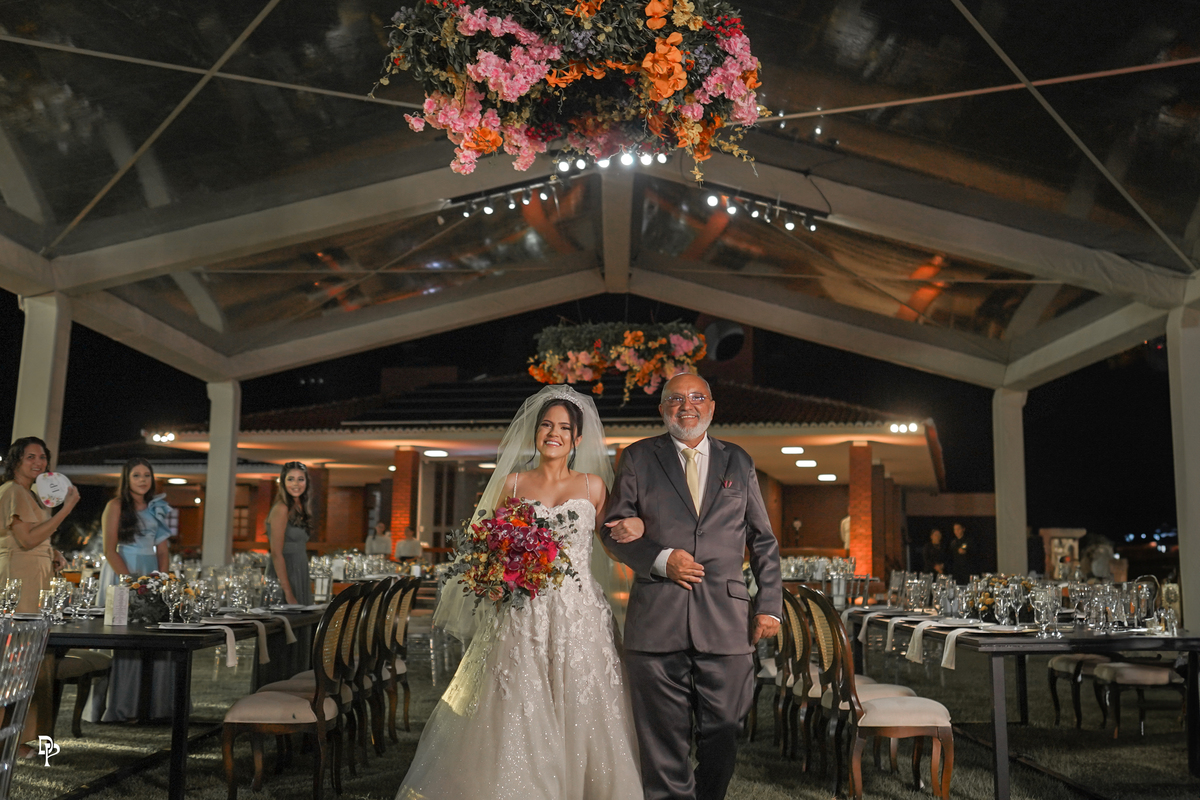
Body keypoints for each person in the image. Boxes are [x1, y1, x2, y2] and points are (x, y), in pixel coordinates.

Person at [396, 384, 643, 799]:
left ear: (578, 438)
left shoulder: (594, 487)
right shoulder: (512, 484)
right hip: (521, 611)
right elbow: (487, 545)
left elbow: (612, 547)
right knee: (517, 699)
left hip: (579, 612)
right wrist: (493, 575)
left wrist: (636, 526)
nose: (554, 433)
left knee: (582, 697)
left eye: (564, 427)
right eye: (546, 425)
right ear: (535, 431)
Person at [601, 373, 783, 800]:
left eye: (697, 397)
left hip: (727, 623)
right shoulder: (638, 457)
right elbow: (613, 533)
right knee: (663, 744)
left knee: (725, 729)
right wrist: (661, 559)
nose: (687, 406)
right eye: (676, 399)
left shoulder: (738, 460)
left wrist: (769, 605)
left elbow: (763, 540)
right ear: (662, 409)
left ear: (712, 407)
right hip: (657, 624)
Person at [0, 436, 78, 757]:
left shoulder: (30, 494)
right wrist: (66, 509)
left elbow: (35, 539)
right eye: (30, 456)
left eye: (42, 457)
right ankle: (5, 743)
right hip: (18, 582)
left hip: (35, 580)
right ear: (16, 460)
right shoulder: (12, 491)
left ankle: (18, 739)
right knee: (10, 664)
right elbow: (26, 540)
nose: (38, 462)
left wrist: (53, 551)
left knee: (26, 663)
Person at [92, 458, 176, 722]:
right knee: (123, 637)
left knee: (154, 636)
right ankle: (120, 707)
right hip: (122, 570)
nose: (143, 480)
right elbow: (109, 550)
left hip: (151, 573)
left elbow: (163, 551)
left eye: (147, 475)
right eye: (137, 475)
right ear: (126, 479)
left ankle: (154, 706)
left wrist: (161, 580)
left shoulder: (157, 507)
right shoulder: (115, 505)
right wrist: (130, 583)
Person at [266, 462, 313, 606]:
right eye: (291, 479)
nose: (296, 484)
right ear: (283, 482)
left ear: (306, 482)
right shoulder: (281, 508)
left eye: (300, 479)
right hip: (285, 576)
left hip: (300, 571)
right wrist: (288, 593)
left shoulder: (301, 507)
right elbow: (276, 553)